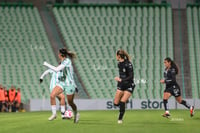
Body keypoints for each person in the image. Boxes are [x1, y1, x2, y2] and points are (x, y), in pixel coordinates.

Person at [43, 48, 80, 123]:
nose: (58, 55)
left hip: (69, 84)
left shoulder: (67, 61)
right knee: (52, 95)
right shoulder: (63, 61)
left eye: (58, 54)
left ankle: (76, 113)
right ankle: (54, 114)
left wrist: (46, 64)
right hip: (62, 83)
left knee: (70, 103)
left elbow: (56, 69)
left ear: (60, 54)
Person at [114, 49, 135, 124]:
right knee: (116, 103)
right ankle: (125, 101)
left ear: (119, 56)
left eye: (116, 55)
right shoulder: (119, 64)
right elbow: (122, 75)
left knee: (122, 102)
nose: (115, 57)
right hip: (121, 84)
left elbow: (131, 76)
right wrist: (120, 81)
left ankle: (120, 119)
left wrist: (121, 80)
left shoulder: (128, 64)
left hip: (129, 84)